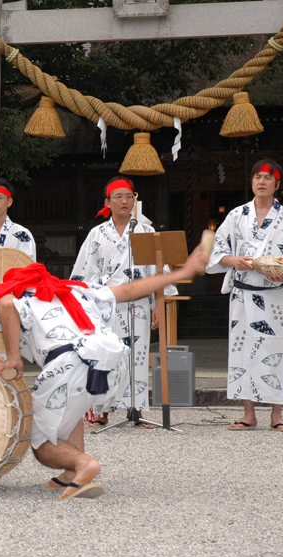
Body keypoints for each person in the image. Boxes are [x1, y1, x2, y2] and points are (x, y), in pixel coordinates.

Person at [0, 247, 208, 500]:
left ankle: (84, 464)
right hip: (110, 362)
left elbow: (6, 304)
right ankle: (72, 472)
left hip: (69, 362)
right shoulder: (75, 289)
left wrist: (13, 358)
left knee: (41, 443)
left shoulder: (18, 297)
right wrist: (183, 272)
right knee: (74, 406)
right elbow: (130, 290)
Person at [205, 159, 283, 432]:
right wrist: (233, 260)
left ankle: (277, 414)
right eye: (257, 177)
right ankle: (248, 413)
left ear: (277, 184)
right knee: (242, 352)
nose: (262, 181)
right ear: (251, 182)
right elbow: (216, 251)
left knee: (274, 350)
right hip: (243, 295)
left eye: (268, 177)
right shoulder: (236, 215)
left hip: (274, 295)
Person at [70, 176, 178, 428]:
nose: (124, 201)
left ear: (134, 200)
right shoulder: (97, 234)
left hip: (138, 304)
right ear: (107, 202)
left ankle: (137, 410)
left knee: (137, 357)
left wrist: (159, 305)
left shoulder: (147, 232)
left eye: (129, 196)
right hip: (105, 306)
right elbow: (83, 275)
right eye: (118, 196)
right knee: (105, 356)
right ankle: (101, 411)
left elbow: (158, 273)